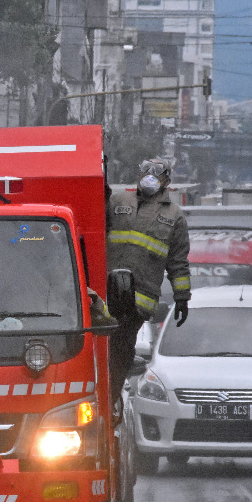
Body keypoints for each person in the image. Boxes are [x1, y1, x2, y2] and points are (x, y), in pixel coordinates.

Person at [106, 158, 191, 406]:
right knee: (98, 350)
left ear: (167, 181)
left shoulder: (174, 216)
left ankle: (111, 399)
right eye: (145, 171)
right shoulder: (117, 201)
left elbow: (178, 262)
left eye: (157, 174)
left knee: (121, 348)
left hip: (137, 301)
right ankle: (101, 396)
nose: (149, 177)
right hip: (104, 294)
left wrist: (182, 298)